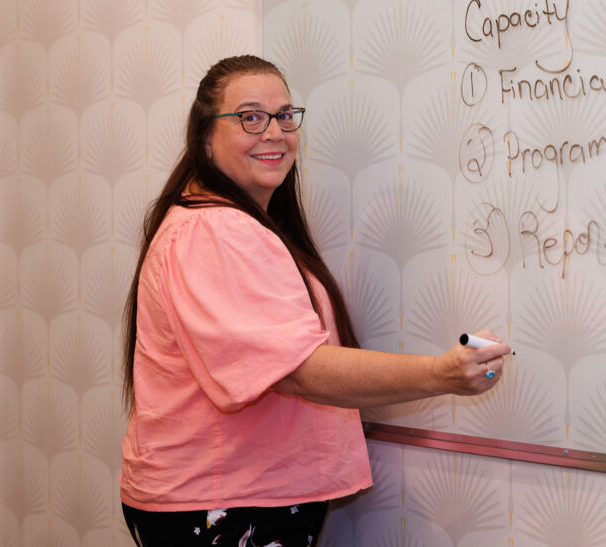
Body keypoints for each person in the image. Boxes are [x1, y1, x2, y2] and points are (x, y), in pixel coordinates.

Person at [119, 55, 511, 546]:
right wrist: (440, 374)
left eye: (285, 116)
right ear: (205, 139)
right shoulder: (215, 230)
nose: (274, 133)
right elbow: (298, 369)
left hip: (236, 497)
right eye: (250, 117)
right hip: (220, 505)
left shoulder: (233, 223)